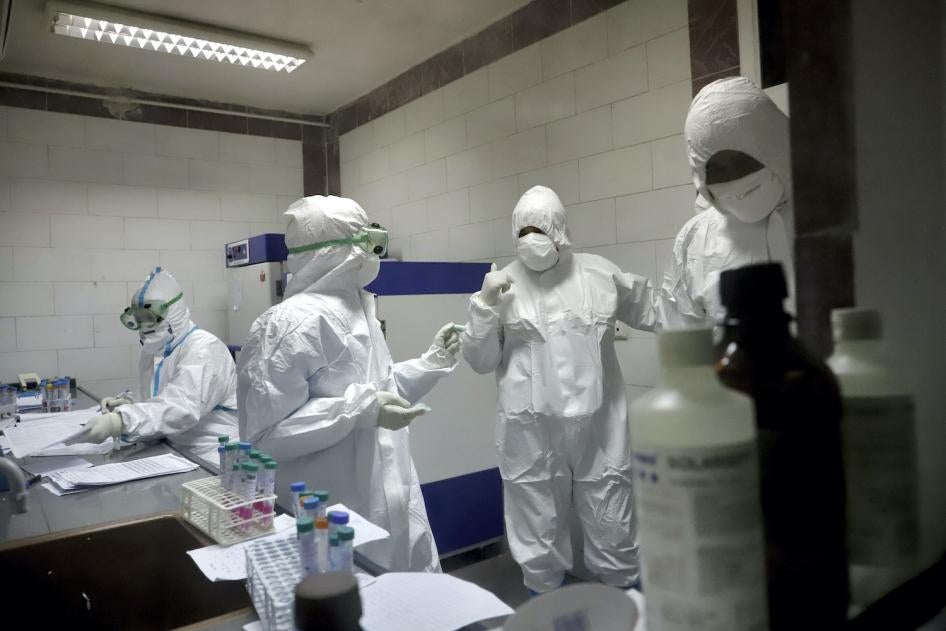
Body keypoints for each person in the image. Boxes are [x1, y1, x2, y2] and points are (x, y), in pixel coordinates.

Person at [237, 195, 460, 573]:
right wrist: (360, 410)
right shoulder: (283, 326)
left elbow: (381, 392)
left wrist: (432, 363)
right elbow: (265, 436)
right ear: (330, 251)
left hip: (395, 503)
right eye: (364, 239)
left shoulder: (361, 307)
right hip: (335, 516)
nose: (372, 251)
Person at [460, 185, 658, 595]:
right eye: (524, 230)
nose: (532, 238)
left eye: (541, 229)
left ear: (561, 230)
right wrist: (482, 307)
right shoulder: (500, 287)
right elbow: (479, 361)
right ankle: (545, 609)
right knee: (537, 540)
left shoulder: (599, 274)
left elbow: (657, 311)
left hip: (600, 428)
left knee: (614, 529)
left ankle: (629, 610)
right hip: (530, 433)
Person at [658, 76, 795, 328]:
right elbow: (683, 341)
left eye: (743, 160)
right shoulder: (695, 240)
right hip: (732, 366)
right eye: (719, 169)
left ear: (775, 146)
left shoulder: (831, 214)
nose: (735, 178)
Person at [67, 267, 238, 463]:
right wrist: (130, 403)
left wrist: (120, 420)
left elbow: (180, 407)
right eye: (139, 320)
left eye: (150, 318)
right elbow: (159, 397)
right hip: (172, 451)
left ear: (174, 312)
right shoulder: (153, 350)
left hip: (211, 457)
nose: (145, 327)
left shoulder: (204, 349)